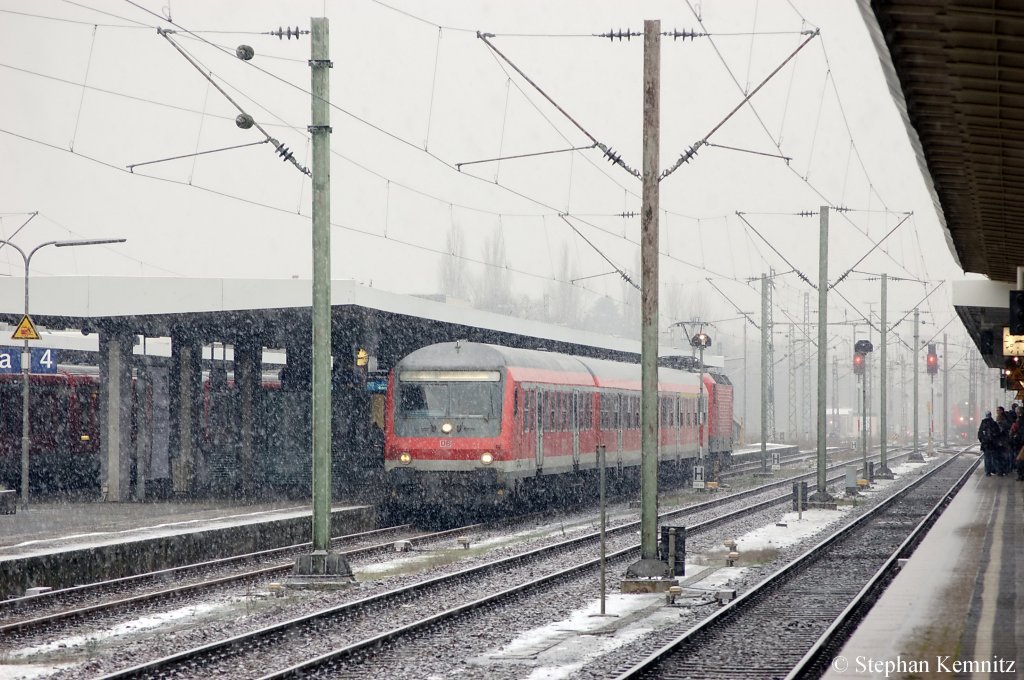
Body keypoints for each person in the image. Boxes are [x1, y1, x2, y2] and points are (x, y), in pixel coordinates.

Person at [978, 411, 1000, 476]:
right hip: (993, 444)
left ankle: (988, 471)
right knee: (993, 457)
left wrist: (982, 440)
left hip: (986, 444)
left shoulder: (983, 423)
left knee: (987, 457)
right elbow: (998, 433)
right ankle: (993, 469)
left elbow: (980, 433)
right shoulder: (994, 423)